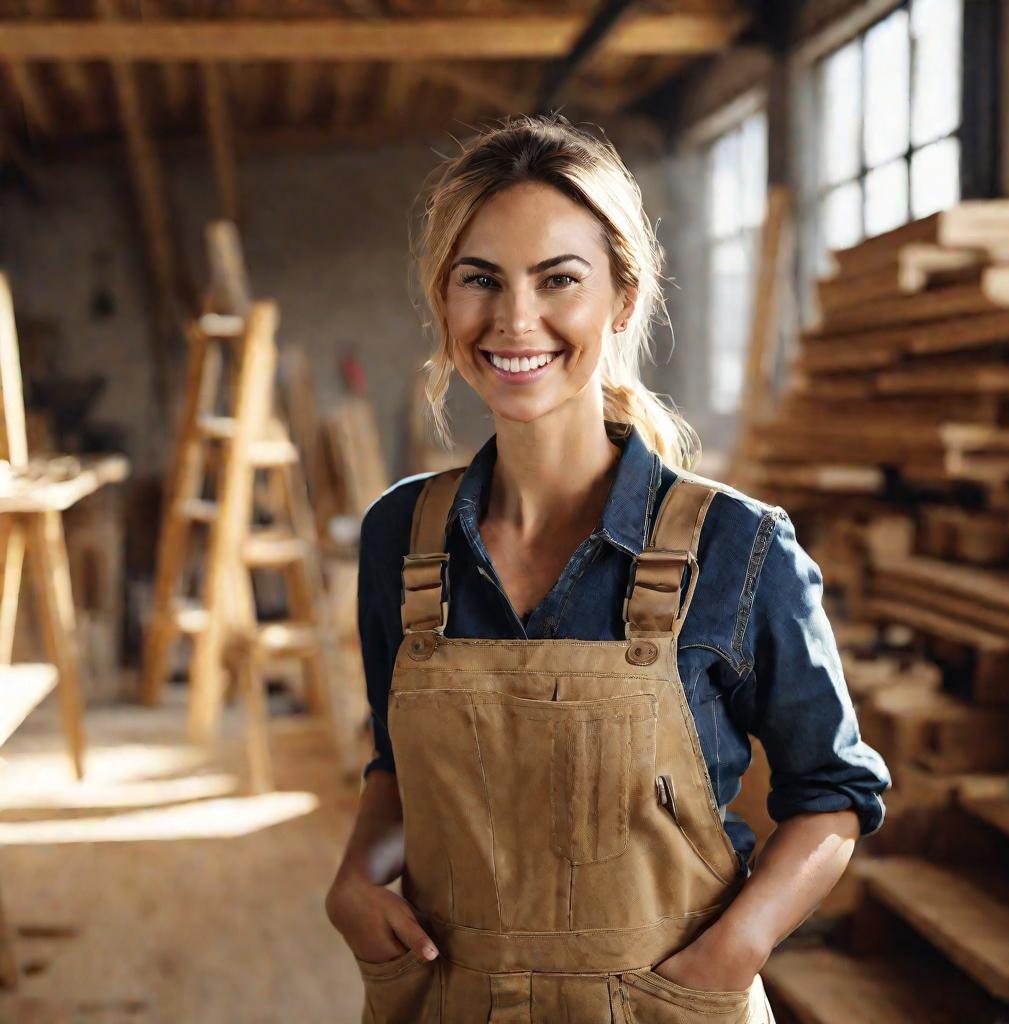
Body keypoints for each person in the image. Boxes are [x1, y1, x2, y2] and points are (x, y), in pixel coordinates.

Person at [325, 113, 890, 1023]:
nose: (516, 320)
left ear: (622, 300)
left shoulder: (737, 547)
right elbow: (397, 764)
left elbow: (834, 795)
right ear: (442, 299)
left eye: (560, 280)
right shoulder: (401, 535)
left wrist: (731, 956)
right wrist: (357, 876)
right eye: (481, 280)